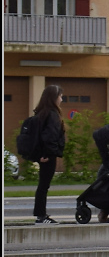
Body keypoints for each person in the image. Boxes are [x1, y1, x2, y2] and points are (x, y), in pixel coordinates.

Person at [29, 85, 67, 225]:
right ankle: (41, 216)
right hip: (48, 155)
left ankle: (40, 214)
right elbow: (49, 136)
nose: (61, 99)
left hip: (43, 154)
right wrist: (48, 153)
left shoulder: (41, 113)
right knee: (44, 185)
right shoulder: (52, 114)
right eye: (60, 96)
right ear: (53, 97)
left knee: (42, 185)